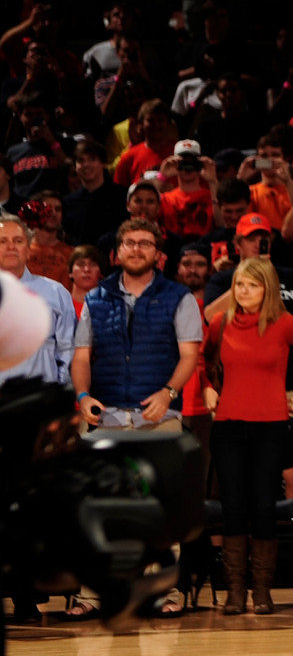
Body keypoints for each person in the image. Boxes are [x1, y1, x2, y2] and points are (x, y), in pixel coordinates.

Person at [69, 215, 203, 618]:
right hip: (106, 416)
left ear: (158, 254)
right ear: (117, 252)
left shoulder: (179, 297)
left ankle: (163, 592)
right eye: (130, 243)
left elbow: (189, 355)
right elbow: (81, 357)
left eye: (145, 243)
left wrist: (169, 392)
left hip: (158, 417)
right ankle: (93, 594)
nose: (136, 249)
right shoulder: (96, 297)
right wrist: (83, 396)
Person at [201, 257, 293, 614]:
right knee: (233, 507)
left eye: (252, 285)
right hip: (228, 425)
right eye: (239, 285)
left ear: (267, 289)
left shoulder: (285, 324)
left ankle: (261, 592)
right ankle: (234, 592)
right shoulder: (221, 322)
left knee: (262, 506)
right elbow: (203, 359)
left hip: (271, 426)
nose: (244, 291)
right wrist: (208, 386)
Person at [0, 215, 76, 389]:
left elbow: (68, 350)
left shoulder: (56, 293)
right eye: (3, 241)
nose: (11, 247)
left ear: (28, 250)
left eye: (18, 241)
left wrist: (58, 392)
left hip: (41, 399)